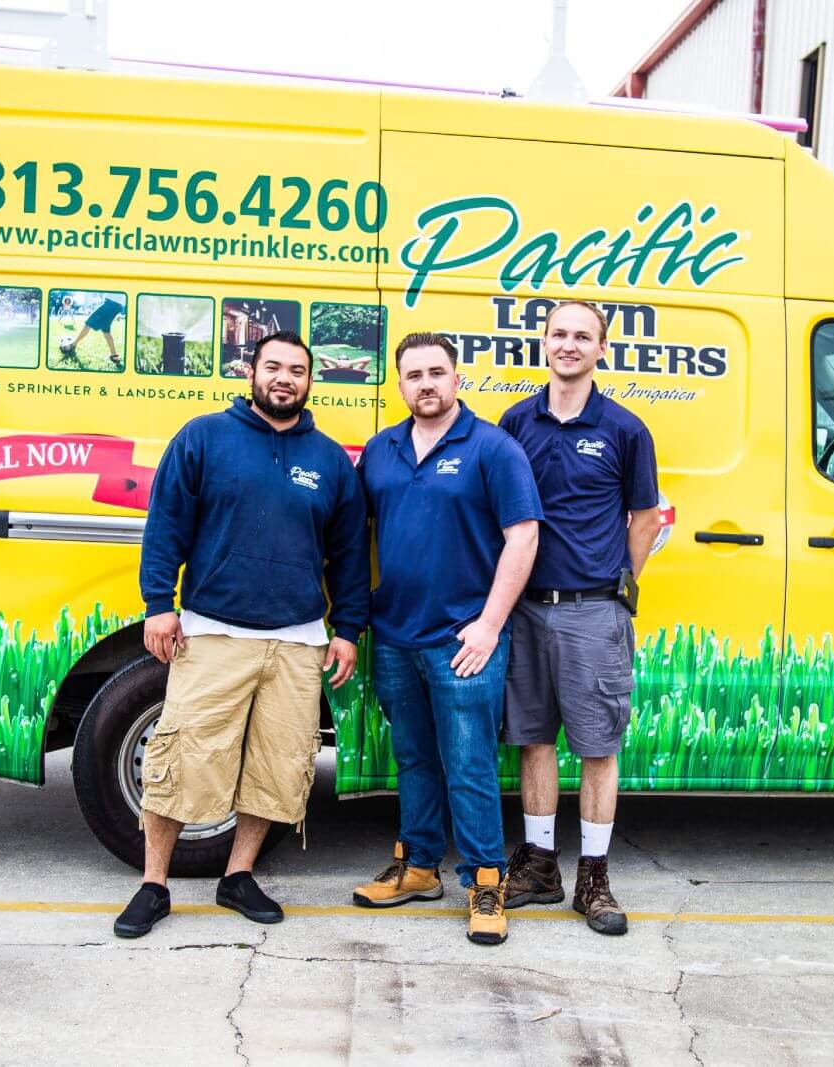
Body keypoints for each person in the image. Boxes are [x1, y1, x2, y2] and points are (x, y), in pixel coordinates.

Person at [114, 330, 369, 938]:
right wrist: (159, 605)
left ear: (311, 382)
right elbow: (166, 524)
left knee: (278, 768)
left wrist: (348, 628)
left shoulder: (329, 460)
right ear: (250, 372)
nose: (285, 378)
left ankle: (239, 875)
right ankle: (153, 885)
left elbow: (350, 554)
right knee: (181, 759)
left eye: (298, 370)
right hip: (213, 634)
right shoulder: (203, 438)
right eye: (273, 366)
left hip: (300, 641)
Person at [351, 332, 541, 946]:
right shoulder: (379, 452)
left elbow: (524, 537)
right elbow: (354, 538)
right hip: (397, 636)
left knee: (470, 765)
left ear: (457, 379)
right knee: (413, 759)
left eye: (437, 372)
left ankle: (487, 881)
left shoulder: (493, 449)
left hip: (464, 641)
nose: (426, 384)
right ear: (400, 384)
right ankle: (418, 866)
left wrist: (488, 625)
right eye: (413, 375)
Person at [498, 300, 662, 936]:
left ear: (601, 350)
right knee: (534, 738)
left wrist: (620, 587)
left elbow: (645, 517)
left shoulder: (625, 430)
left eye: (582, 336)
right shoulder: (515, 423)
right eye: (559, 333)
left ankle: (594, 876)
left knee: (597, 746)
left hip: (594, 612)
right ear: (543, 343)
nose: (569, 344)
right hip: (526, 610)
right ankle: (540, 865)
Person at [61, 295, 124, 367]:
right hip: (115, 305)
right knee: (106, 330)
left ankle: (73, 345)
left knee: (89, 322)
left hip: (111, 303)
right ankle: (114, 356)